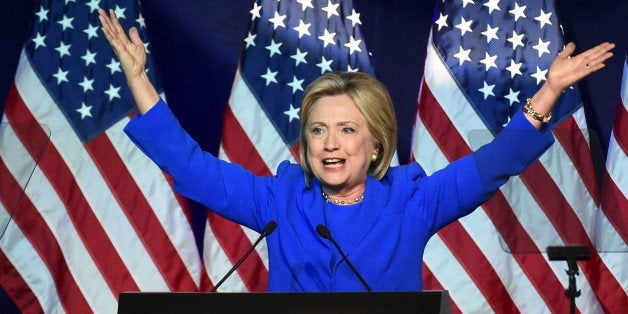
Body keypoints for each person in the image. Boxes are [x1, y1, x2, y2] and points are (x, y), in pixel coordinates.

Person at [98, 9, 614, 292]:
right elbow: (193, 169)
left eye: (346, 130)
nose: (328, 144)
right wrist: (141, 82)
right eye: (318, 130)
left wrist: (548, 93)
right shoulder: (279, 201)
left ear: (374, 145)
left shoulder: (412, 201)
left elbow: (494, 164)